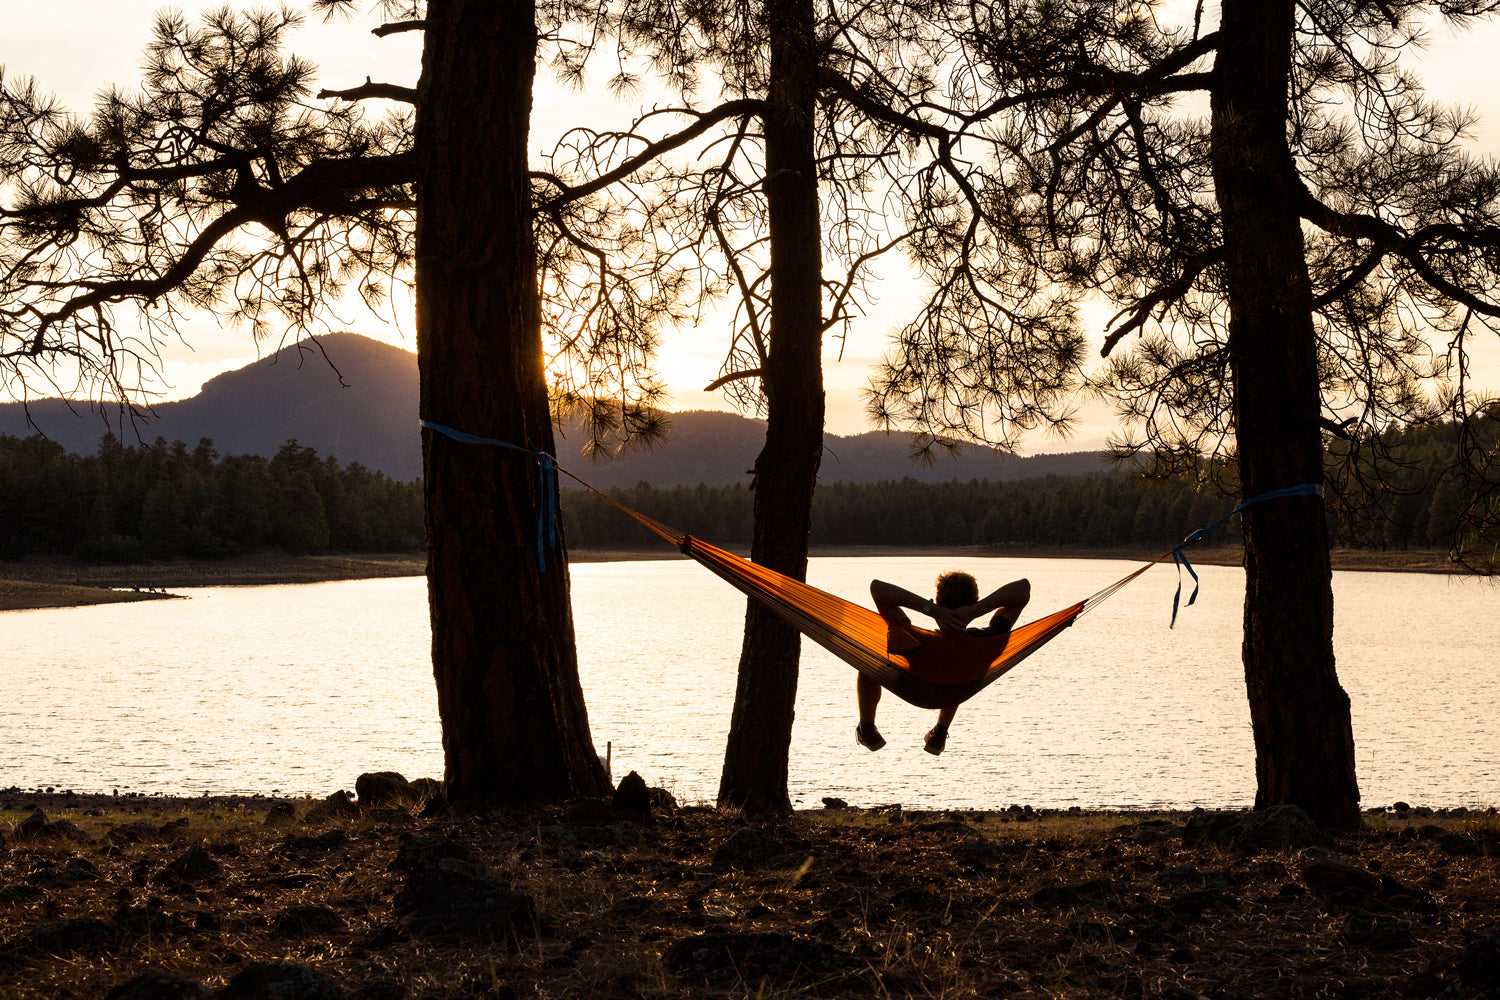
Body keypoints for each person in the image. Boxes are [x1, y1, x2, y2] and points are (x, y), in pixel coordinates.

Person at [857, 573, 1031, 755]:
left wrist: (932, 610)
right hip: (955, 692)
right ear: (974, 601)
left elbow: (878, 589)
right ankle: (939, 733)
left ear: (939, 601)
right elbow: (1022, 589)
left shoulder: (915, 639)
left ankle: (867, 728)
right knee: (958, 670)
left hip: (914, 690)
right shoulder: (989, 641)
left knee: (868, 663)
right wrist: (973, 612)